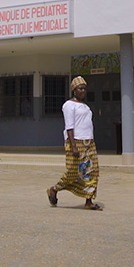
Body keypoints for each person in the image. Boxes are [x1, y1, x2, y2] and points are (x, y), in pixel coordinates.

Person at [46, 76, 103, 210]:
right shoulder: (69, 105)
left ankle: (88, 202)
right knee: (73, 172)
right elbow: (69, 127)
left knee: (92, 171)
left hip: (89, 143)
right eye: (80, 88)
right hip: (76, 143)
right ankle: (54, 189)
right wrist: (74, 147)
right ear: (74, 90)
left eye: (84, 88)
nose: (83, 91)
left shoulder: (85, 106)